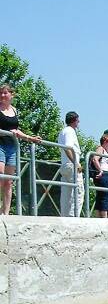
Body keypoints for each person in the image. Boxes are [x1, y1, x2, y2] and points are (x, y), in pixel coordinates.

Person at [0, 82, 42, 214]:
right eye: (1, 93)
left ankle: (5, 213)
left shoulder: (14, 110)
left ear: (12, 94)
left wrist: (30, 138)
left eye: (5, 92)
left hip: (12, 147)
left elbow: (16, 130)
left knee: (9, 181)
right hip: (0, 145)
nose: (2, 95)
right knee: (1, 178)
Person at [57, 111, 84, 217]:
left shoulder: (63, 131)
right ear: (74, 120)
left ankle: (64, 216)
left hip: (64, 164)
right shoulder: (70, 131)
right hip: (71, 165)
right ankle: (74, 217)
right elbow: (68, 148)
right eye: (78, 120)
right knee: (78, 192)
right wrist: (76, 163)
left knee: (66, 193)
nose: (79, 122)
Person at [91, 129, 108, 218]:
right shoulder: (100, 148)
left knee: (101, 196)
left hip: (107, 174)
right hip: (103, 174)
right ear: (106, 141)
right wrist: (100, 170)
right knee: (105, 196)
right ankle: (104, 217)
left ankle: (98, 216)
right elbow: (95, 159)